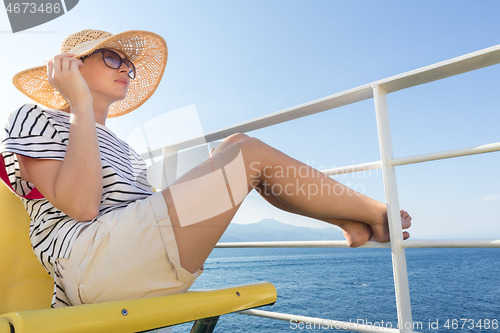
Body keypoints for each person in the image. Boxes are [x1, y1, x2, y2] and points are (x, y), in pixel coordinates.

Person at [0, 29, 411, 308]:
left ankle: (350, 221)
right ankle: (371, 214)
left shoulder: (122, 148)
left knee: (241, 160)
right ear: (73, 65)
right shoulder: (35, 118)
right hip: (89, 265)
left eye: (131, 65)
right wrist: (80, 105)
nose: (127, 68)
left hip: (127, 257)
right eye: (113, 57)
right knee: (243, 152)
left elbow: (130, 215)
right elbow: (84, 207)